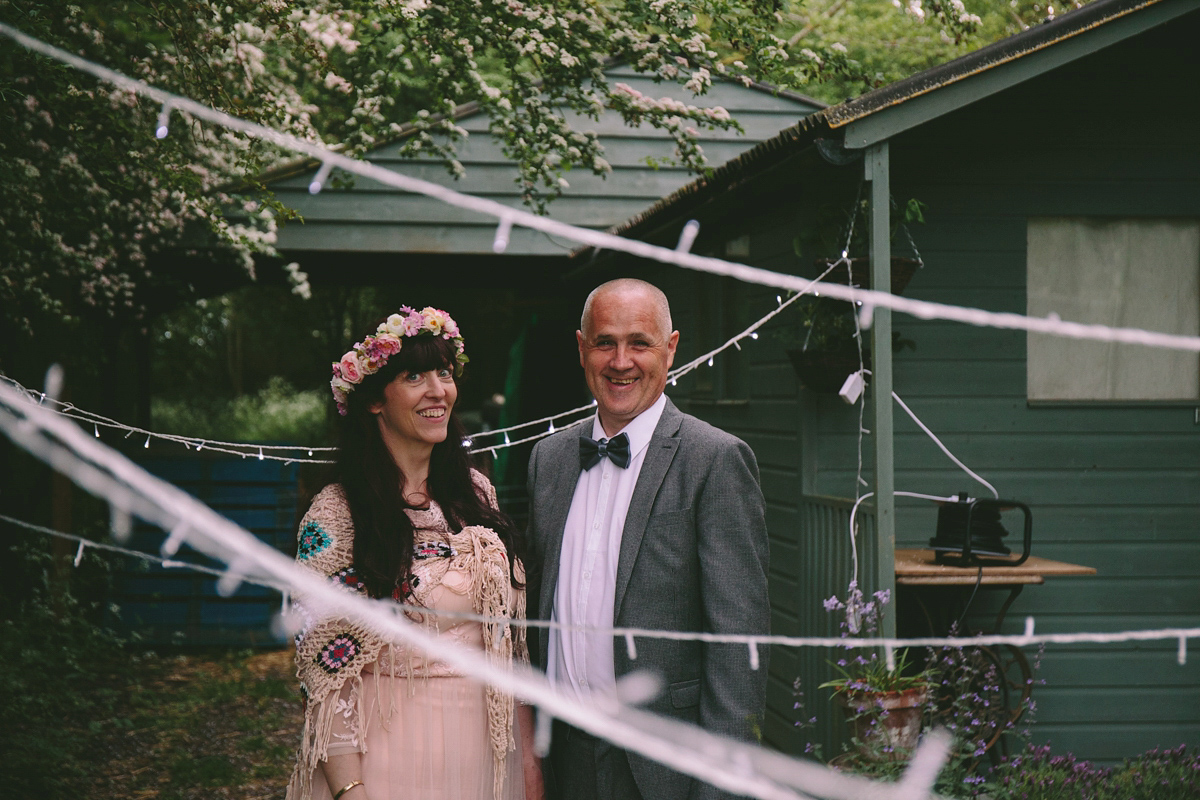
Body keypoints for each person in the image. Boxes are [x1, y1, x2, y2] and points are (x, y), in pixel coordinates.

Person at [526, 279, 770, 800]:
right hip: (561, 756)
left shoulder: (715, 461)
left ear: (671, 348)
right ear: (581, 348)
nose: (621, 361)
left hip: (663, 770)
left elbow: (737, 647)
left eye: (639, 342)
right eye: (604, 342)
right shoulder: (547, 461)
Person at [286, 306, 542, 800]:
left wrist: (528, 760)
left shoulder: (477, 495)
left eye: (444, 373)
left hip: (488, 762)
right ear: (374, 402)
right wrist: (350, 788)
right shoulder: (338, 514)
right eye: (413, 376)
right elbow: (324, 668)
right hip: (388, 761)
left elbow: (511, 647)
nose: (437, 391)